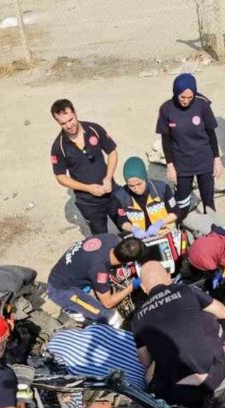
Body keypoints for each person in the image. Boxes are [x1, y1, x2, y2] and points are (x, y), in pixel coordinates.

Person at [131, 261, 225, 408]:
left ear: (144, 288)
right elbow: (224, 313)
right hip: (213, 375)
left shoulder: (136, 318)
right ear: (169, 278)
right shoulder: (187, 290)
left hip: (177, 391)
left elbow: (145, 361)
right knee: (207, 319)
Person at [157, 74, 223, 220]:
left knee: (208, 198)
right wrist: (170, 166)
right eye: (182, 97)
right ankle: (181, 227)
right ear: (176, 92)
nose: (186, 101)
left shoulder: (202, 106)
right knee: (182, 201)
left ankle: (211, 229)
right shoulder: (166, 109)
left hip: (203, 159)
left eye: (189, 97)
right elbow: (165, 141)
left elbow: (211, 134)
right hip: (181, 162)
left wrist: (216, 159)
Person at [49, 99, 120, 234]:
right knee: (101, 240)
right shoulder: (58, 147)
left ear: (75, 113)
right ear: (57, 122)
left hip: (111, 191)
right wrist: (88, 188)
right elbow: (61, 177)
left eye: (70, 119)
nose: (69, 125)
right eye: (63, 123)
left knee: (129, 229)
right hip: (88, 203)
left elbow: (112, 152)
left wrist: (108, 177)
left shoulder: (94, 129)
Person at [46, 234, 145, 326]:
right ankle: (74, 310)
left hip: (69, 269)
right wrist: (132, 286)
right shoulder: (99, 270)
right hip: (60, 289)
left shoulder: (111, 238)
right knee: (110, 318)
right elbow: (108, 303)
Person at [112, 157, 178, 237]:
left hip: (165, 233)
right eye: (131, 186)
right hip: (141, 237)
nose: (136, 189)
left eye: (139, 184)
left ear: (145, 178)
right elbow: (122, 221)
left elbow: (175, 212)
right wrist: (133, 229)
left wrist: (160, 223)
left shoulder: (161, 189)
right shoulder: (121, 196)